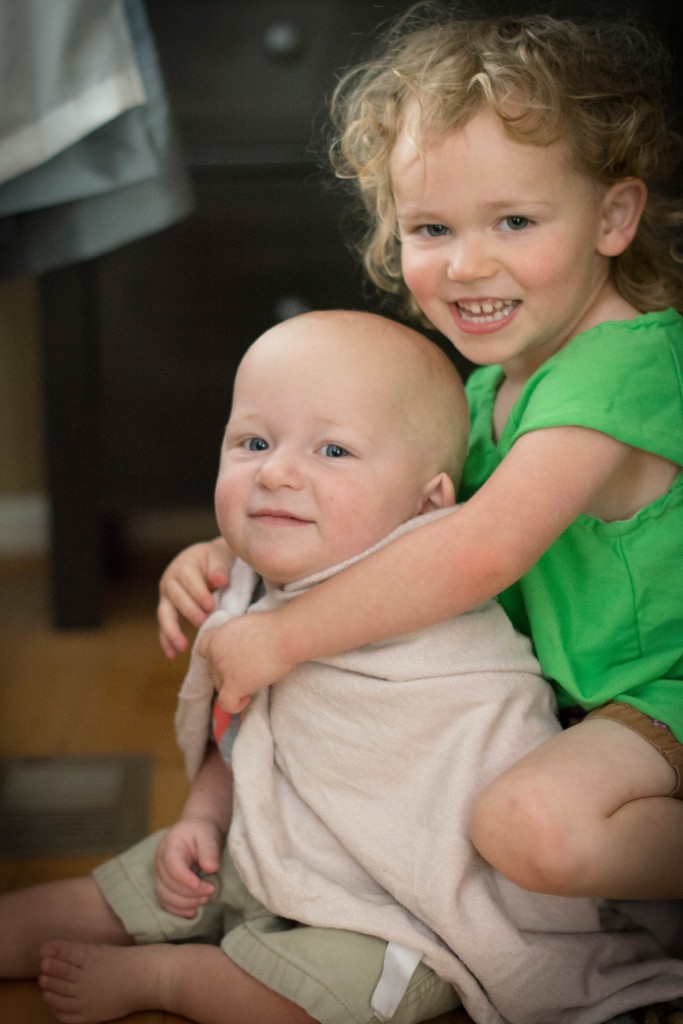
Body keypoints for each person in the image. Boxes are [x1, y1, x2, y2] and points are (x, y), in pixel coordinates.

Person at [4, 310, 683, 1024]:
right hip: (263, 846)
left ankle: (174, 980)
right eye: (253, 441)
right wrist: (200, 820)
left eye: (332, 451)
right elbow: (243, 728)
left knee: (323, 997)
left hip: (400, 909)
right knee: (97, 898)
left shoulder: (436, 617)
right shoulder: (250, 584)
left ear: (428, 506)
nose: (275, 471)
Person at [159, 4, 683, 904]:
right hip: (559, 706)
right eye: (432, 230)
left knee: (524, 827)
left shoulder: (624, 367)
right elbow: (391, 526)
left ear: (613, 216)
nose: (468, 265)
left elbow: (479, 548)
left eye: (513, 221)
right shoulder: (490, 386)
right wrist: (235, 553)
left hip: (658, 692)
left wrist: (282, 634)